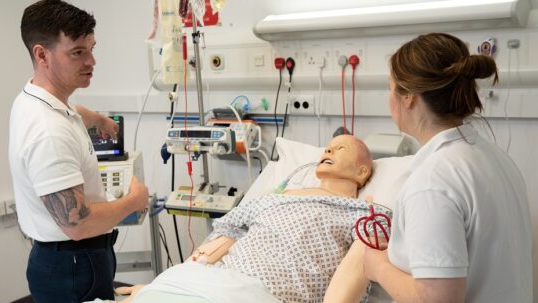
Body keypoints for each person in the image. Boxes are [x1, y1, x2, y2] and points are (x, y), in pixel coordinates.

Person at [107, 135, 390, 303]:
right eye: (328, 147)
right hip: (212, 285)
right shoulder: (276, 197)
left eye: (341, 149)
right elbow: (225, 234)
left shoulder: (365, 216)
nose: (328, 151)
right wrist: (163, 287)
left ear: (363, 172)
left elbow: (356, 272)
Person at [359, 33, 532, 302]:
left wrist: (378, 267)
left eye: (391, 87)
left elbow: (437, 298)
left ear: (409, 98)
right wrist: (399, 252)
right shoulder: (494, 157)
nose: (389, 97)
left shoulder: (432, 182)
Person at [9, 1, 149, 302]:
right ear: (42, 54)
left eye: (91, 48)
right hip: (74, 265)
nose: (92, 61)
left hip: (68, 260)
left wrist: (97, 119)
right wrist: (133, 201)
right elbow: (77, 223)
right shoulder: (47, 131)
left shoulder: (36, 98)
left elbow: (69, 110)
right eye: (78, 53)